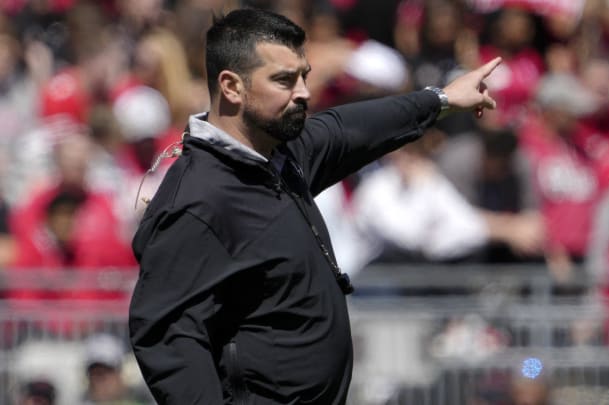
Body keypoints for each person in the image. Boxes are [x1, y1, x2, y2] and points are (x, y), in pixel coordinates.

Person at [128, 8, 502, 404]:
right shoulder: (198, 196)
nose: (304, 92)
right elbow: (166, 335)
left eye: (303, 76)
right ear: (232, 87)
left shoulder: (282, 154)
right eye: (284, 80)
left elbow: (352, 128)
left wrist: (441, 99)